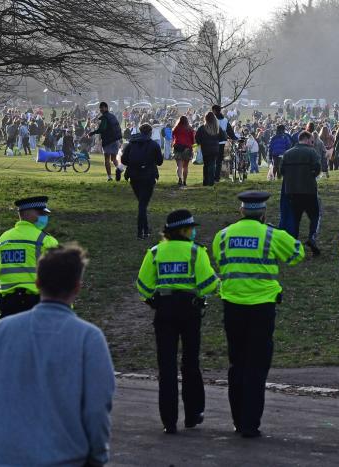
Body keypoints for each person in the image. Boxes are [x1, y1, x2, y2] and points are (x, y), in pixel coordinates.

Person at [0, 245, 115, 465]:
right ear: (77, 287)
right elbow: (97, 409)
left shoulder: (2, 331)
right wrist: (97, 457)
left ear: (37, 283)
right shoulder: (89, 338)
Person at [212, 191, 305, 438]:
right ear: (263, 213)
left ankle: (237, 419)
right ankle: (250, 423)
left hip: (232, 305)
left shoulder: (223, 235)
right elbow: (297, 254)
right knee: (256, 365)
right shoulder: (271, 235)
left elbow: (220, 261)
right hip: (262, 307)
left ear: (241, 211)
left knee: (237, 363)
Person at [137, 210, 219, 434]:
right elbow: (210, 284)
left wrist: (154, 301)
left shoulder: (154, 252)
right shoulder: (196, 252)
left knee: (166, 366)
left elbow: (142, 286)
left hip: (164, 310)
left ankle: (169, 421)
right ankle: (193, 414)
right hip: (189, 310)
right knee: (190, 363)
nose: (194, 231)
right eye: (192, 228)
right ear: (183, 230)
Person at [0, 196, 59, 318]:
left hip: (8, 306)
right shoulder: (47, 241)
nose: (45, 217)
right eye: (42, 213)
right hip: (37, 305)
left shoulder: (3, 239)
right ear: (30, 214)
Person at [281, 131, 323, 255]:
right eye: (311, 141)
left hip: (292, 191)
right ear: (306, 139)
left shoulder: (287, 153)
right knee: (315, 215)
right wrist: (310, 176)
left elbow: (282, 170)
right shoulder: (311, 152)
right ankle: (312, 237)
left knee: (295, 218)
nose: (312, 143)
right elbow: (317, 168)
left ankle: (293, 244)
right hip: (309, 190)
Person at [121, 123, 164, 239]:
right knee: (142, 205)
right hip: (148, 177)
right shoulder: (154, 145)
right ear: (150, 133)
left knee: (142, 203)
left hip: (134, 177)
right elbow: (160, 161)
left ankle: (145, 229)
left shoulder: (131, 144)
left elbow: (124, 160)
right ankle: (142, 231)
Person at [89, 102, 123, 182]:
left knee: (107, 159)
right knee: (114, 159)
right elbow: (118, 127)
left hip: (108, 140)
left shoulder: (104, 118)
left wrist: (92, 133)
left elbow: (102, 129)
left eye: (102, 108)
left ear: (106, 108)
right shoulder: (113, 116)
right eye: (100, 108)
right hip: (115, 140)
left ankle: (109, 177)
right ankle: (119, 170)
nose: (101, 109)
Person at [195, 112, 226, 186]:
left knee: (206, 165)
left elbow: (197, 138)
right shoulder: (217, 128)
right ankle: (211, 182)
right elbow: (223, 137)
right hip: (215, 148)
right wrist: (216, 140)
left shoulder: (202, 128)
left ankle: (205, 182)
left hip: (205, 148)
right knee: (212, 164)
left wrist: (201, 142)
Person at [172, 116, 195, 186]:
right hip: (187, 148)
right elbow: (193, 140)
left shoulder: (176, 128)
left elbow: (173, 137)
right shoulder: (190, 129)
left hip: (177, 147)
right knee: (185, 166)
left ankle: (180, 179)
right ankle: (184, 181)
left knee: (179, 165)